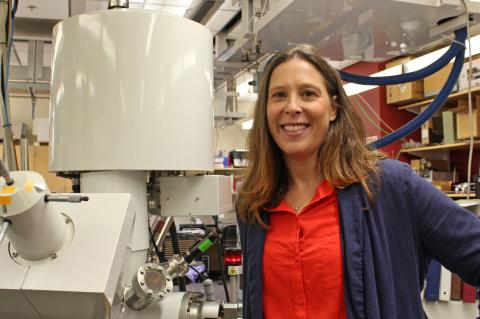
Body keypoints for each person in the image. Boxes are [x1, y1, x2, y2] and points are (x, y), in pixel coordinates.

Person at [236, 44, 480, 319]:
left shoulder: (391, 186)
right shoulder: (254, 202)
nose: (292, 107)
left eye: (308, 94)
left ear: (333, 109)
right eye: (279, 95)